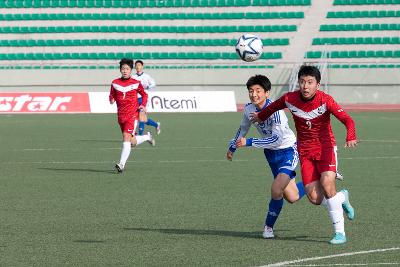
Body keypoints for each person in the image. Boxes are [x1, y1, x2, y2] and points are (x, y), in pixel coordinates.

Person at [250, 65, 356, 244]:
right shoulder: (290, 98)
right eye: (302, 82)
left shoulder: (326, 100)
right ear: (298, 82)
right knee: (314, 198)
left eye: (310, 82)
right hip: (305, 151)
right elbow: (273, 107)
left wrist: (350, 135)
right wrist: (260, 116)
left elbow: (347, 119)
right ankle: (342, 197)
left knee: (327, 182)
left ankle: (340, 233)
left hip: (326, 148)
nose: (305, 86)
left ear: (318, 84)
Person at [227, 74, 306, 239]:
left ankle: (268, 228)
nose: (254, 94)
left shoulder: (276, 111)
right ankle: (317, 179)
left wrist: (249, 142)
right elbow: (242, 128)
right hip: (270, 153)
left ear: (267, 93)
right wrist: (232, 147)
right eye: (251, 91)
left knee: (276, 189)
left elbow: (277, 140)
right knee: (292, 196)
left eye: (258, 90)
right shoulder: (249, 109)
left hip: (288, 150)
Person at [109, 58, 155, 173]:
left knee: (126, 137)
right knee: (132, 142)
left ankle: (121, 164)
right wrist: (111, 99)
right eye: (123, 68)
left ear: (130, 70)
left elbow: (144, 95)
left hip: (132, 115)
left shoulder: (135, 83)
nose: (125, 71)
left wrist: (143, 105)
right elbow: (111, 95)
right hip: (121, 116)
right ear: (120, 70)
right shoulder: (115, 83)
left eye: (127, 69)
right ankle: (147, 137)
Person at [133, 60, 161, 136]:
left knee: (141, 117)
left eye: (139, 65)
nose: (138, 67)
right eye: (136, 65)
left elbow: (153, 84)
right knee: (143, 119)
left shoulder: (146, 76)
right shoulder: (133, 77)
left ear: (142, 66)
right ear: (135, 67)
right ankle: (156, 125)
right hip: (135, 99)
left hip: (144, 98)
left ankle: (140, 136)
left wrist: (148, 86)